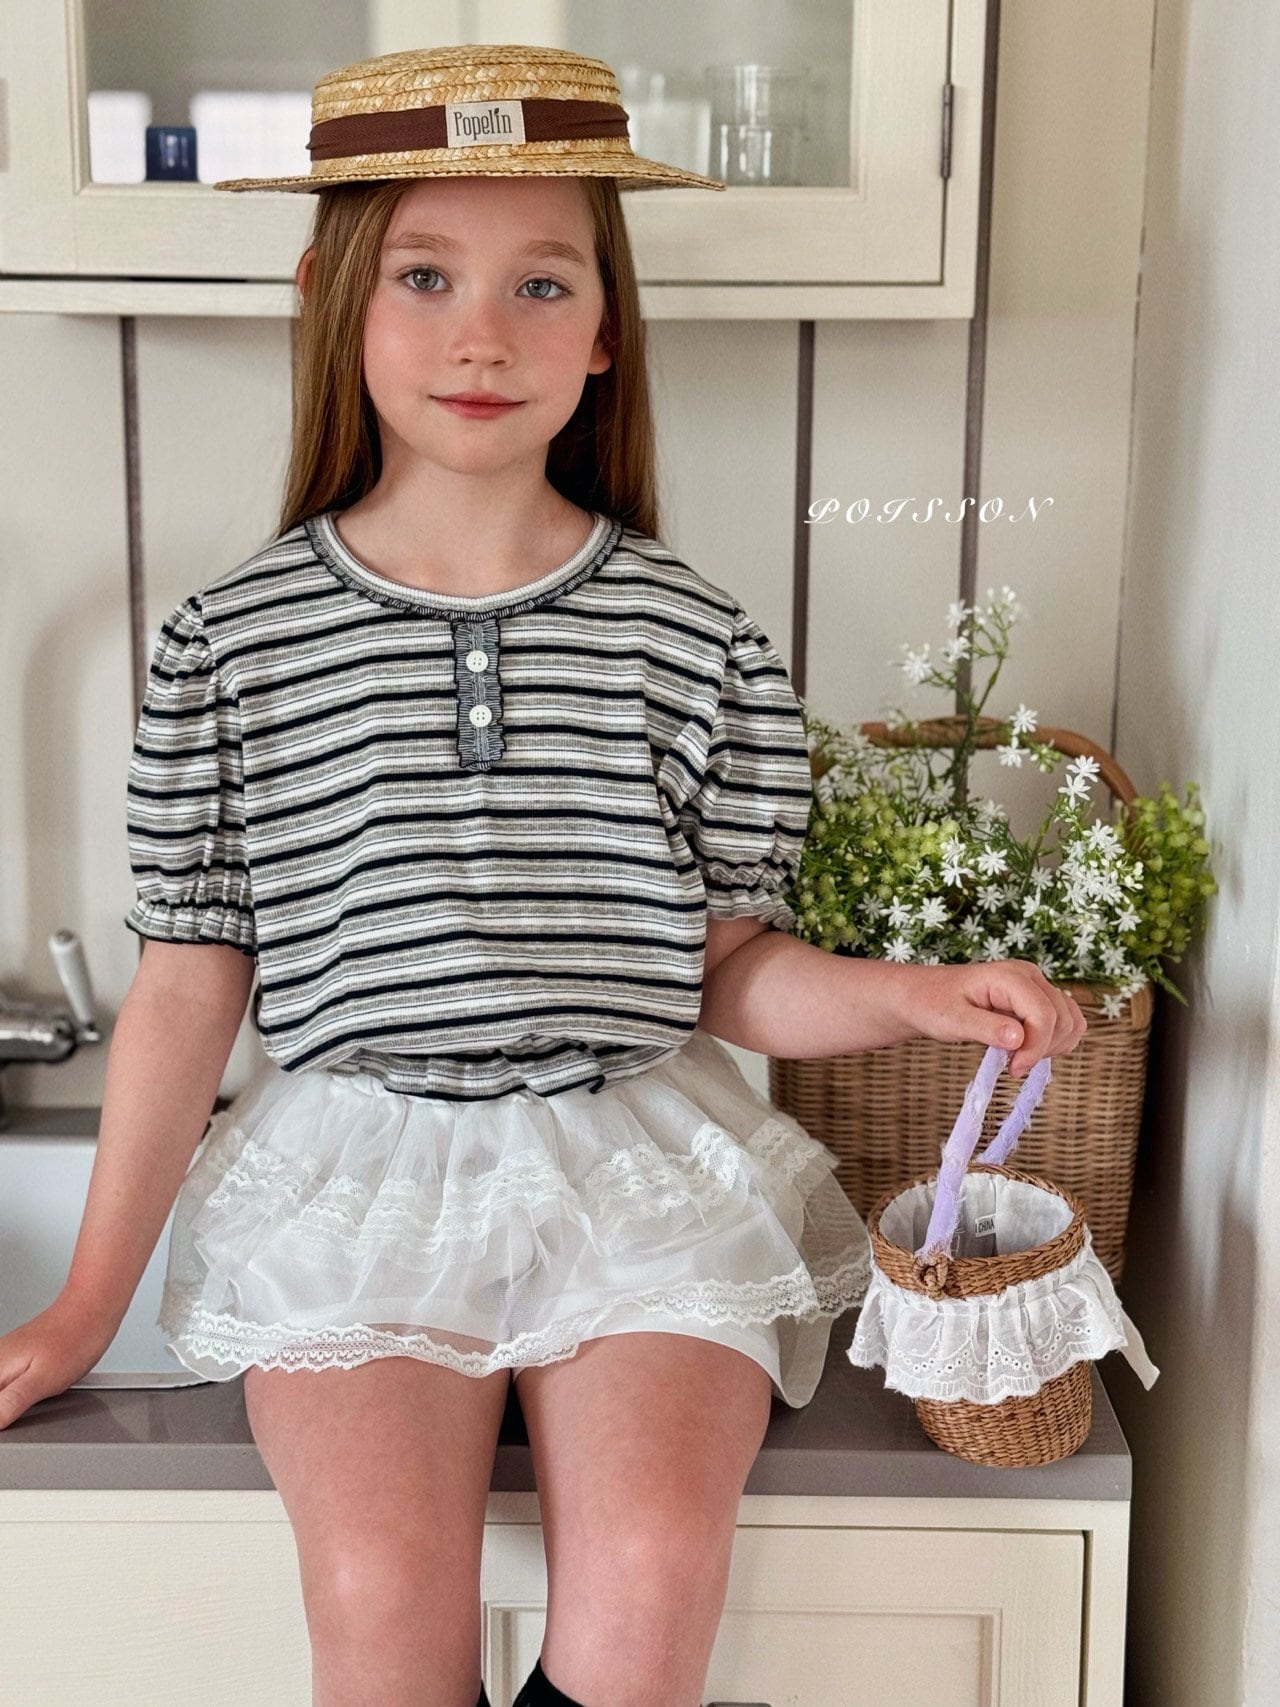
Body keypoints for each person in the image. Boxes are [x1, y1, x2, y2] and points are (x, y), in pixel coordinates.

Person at [0, 42, 1087, 1707]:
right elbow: (189, 980)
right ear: (329, 300)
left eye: (543, 283)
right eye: (424, 275)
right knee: (378, 1597)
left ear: (605, 329)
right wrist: (85, 1305)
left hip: (641, 1173)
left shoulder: (696, 639)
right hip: (354, 1179)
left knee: (649, 1579)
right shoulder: (231, 645)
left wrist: (913, 997)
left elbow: (729, 966)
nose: (483, 335)